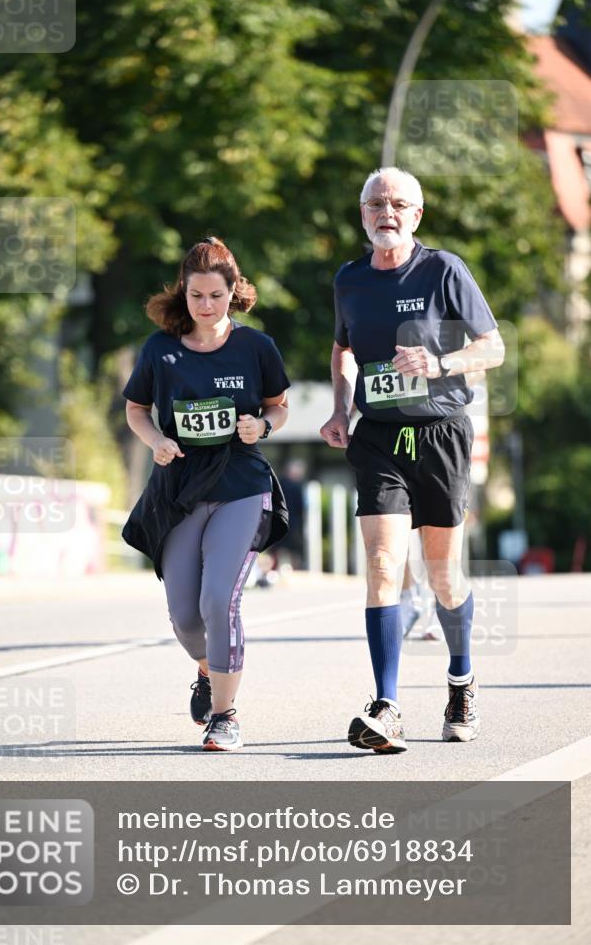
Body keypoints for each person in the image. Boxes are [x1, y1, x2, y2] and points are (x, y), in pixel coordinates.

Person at [320, 167, 504, 753]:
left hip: (440, 434)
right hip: (378, 437)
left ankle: (461, 681)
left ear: (416, 215)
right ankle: (387, 705)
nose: (387, 213)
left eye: (399, 204)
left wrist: (440, 363)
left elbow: (493, 346)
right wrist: (340, 408)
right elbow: (343, 350)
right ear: (362, 215)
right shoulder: (349, 279)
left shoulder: (443, 269)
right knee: (381, 564)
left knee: (443, 575)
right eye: (376, 204)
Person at [122, 237, 290, 751]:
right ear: (184, 292)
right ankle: (208, 669)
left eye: (216, 295)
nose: (206, 306)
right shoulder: (161, 350)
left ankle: (225, 715)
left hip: (241, 484)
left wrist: (262, 426)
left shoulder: (256, 347)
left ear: (232, 292)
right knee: (184, 615)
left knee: (220, 599)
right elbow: (136, 411)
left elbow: (279, 406)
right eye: (196, 295)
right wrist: (157, 441)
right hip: (180, 489)